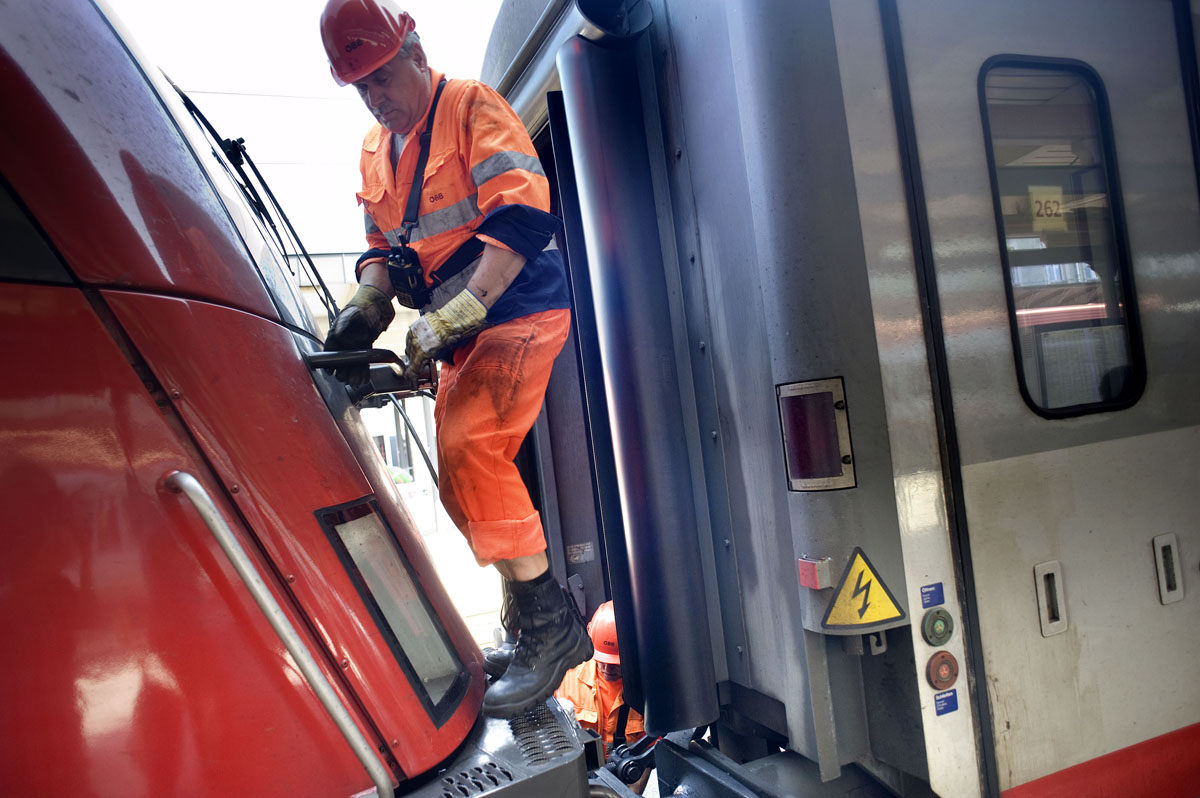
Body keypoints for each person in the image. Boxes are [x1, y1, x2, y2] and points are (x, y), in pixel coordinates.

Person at [318, 0, 591, 718]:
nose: (377, 98)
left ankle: (551, 630)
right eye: (362, 88)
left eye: (382, 77)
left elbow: (522, 213)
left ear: (413, 51)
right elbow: (380, 250)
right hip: (459, 328)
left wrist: (464, 309)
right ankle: (531, 620)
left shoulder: (472, 107)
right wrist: (363, 309)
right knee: (458, 484)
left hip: (518, 306)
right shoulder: (376, 151)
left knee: (473, 450)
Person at [556, 601, 651, 793]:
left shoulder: (648, 690)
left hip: (625, 782)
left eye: (616, 663)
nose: (608, 669)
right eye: (601, 660)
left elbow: (650, 755)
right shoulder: (566, 679)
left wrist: (631, 793)